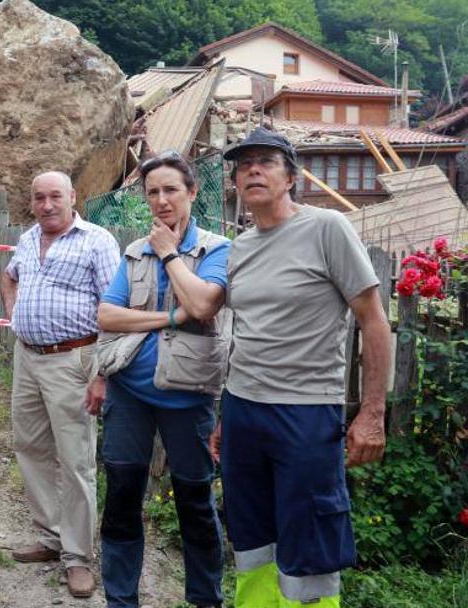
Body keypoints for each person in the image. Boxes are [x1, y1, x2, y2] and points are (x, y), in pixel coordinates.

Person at [217, 128, 391, 607]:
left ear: (290, 177)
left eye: (266, 161)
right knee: (251, 538)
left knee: (310, 539)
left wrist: (372, 412)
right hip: (243, 410)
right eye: (244, 163)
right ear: (234, 183)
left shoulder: (326, 228)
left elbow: (374, 320)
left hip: (306, 412)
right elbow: (244, 333)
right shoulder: (241, 246)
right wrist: (223, 415)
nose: (252, 169)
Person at [94, 152, 230, 608]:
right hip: (129, 392)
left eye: (171, 189)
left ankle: (205, 599)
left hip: (188, 397)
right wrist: (170, 316)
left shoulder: (217, 249)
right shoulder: (134, 251)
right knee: (121, 497)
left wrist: (170, 253)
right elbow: (107, 314)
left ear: (192, 192)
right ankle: (120, 599)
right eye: (152, 192)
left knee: (194, 503)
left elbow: (203, 306)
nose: (161, 200)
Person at [0, 170, 120, 598]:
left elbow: (115, 308)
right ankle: (51, 538)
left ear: (72, 197)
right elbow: (9, 274)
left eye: (55, 197)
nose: (47, 205)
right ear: (31, 202)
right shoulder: (29, 238)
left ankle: (79, 558)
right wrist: (14, 313)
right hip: (27, 358)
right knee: (29, 446)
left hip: (73, 360)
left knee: (76, 461)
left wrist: (101, 373)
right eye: (38, 198)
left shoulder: (97, 241)